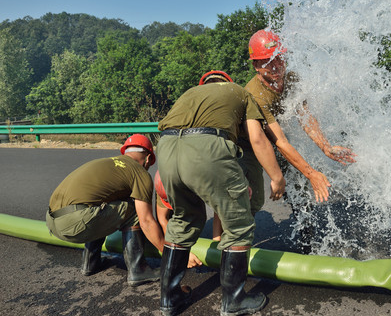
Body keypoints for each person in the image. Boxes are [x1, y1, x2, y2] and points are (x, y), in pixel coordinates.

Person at [213, 30, 357, 248]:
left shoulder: (291, 78)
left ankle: (305, 234)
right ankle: (227, 244)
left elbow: (305, 116)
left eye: (279, 58)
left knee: (297, 182)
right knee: (247, 196)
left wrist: (326, 148)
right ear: (256, 66)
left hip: (272, 139)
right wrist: (312, 173)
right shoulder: (255, 93)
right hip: (246, 145)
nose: (276, 65)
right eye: (268, 61)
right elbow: (280, 141)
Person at [156, 74, 286, 316]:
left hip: (166, 148)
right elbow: (257, 138)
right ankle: (234, 301)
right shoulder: (240, 92)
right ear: (227, 81)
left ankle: (169, 300)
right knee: (239, 225)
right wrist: (277, 177)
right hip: (208, 146)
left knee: (183, 220)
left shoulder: (189, 93)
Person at [45, 134, 164, 287]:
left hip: (52, 221)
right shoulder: (140, 173)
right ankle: (138, 271)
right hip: (75, 223)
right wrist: (168, 253)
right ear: (148, 159)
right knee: (134, 209)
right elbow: (146, 221)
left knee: (99, 203)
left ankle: (90, 263)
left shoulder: (108, 164)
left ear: (126, 152)